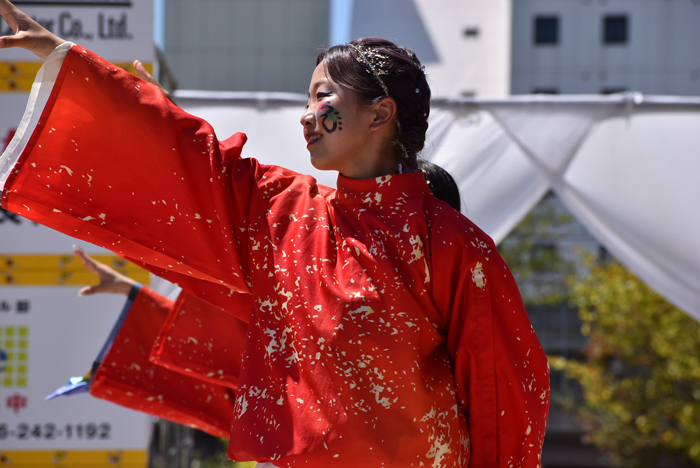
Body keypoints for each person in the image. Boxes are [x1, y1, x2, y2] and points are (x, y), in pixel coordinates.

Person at [0, 1, 550, 467]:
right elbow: (198, 166)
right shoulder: (290, 211)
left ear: (382, 112)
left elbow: (503, 392)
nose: (307, 115)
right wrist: (85, 75)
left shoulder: (453, 246)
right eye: (308, 99)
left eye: (323, 98)